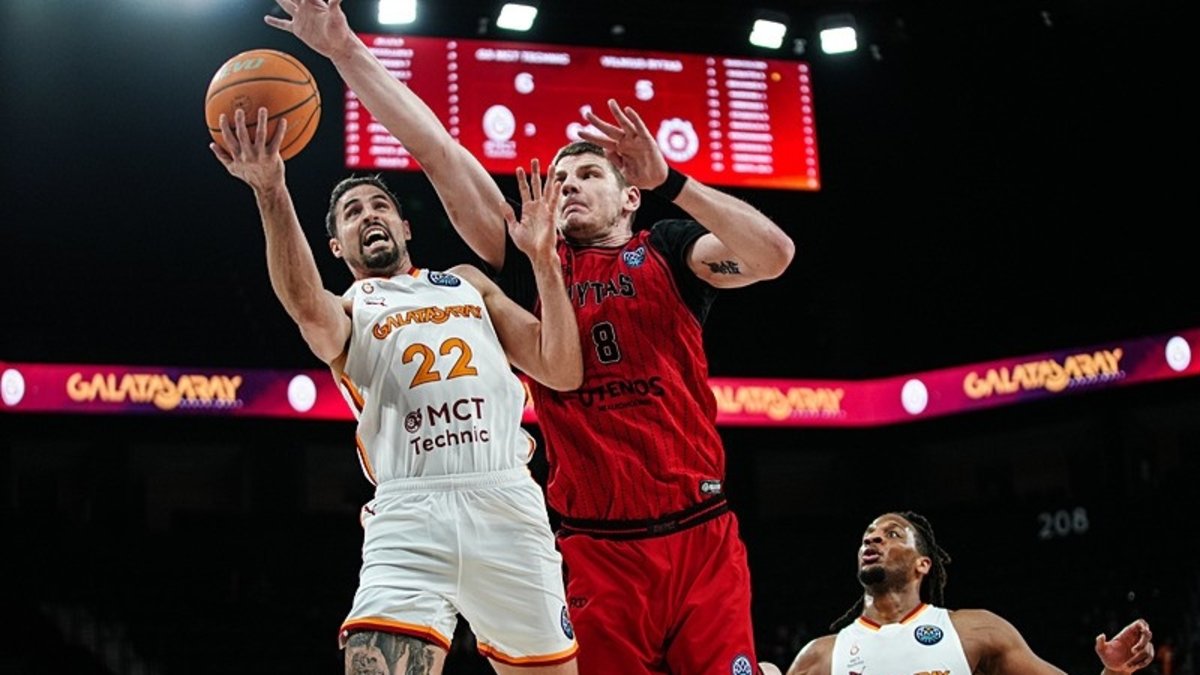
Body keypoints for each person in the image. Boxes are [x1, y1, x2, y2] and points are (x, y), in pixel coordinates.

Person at [264, 2, 795, 672]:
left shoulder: (668, 249)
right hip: (595, 544)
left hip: (699, 533)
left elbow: (773, 254)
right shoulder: (522, 259)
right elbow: (435, 150)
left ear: (630, 196)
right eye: (560, 177)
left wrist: (676, 184)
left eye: (590, 174)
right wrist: (346, 52)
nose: (569, 184)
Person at [209, 103, 581, 674]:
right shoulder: (349, 310)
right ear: (336, 246)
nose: (368, 214)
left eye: (379, 205)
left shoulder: (468, 283)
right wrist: (270, 191)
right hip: (410, 513)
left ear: (404, 228)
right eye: (352, 212)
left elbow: (560, 369)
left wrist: (545, 262)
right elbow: (306, 307)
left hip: (506, 499)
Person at [774, 511, 1155, 675]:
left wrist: (1114, 669)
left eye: (892, 534)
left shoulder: (976, 631)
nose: (873, 537)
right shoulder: (821, 655)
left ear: (923, 564)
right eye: (868, 535)